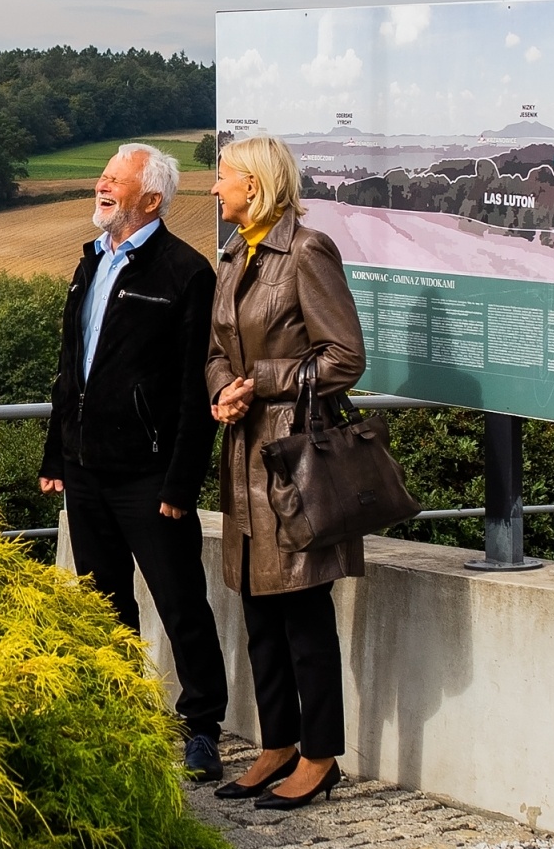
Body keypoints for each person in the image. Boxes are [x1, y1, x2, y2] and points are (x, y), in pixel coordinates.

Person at [39, 143, 229, 783]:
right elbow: (70, 370)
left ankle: (202, 728)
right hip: (86, 470)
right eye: (102, 177)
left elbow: (194, 390)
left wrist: (181, 482)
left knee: (181, 604)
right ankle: (121, 719)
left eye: (114, 181)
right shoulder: (89, 261)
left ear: (151, 199)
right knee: (103, 605)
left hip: (151, 476)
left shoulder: (185, 272)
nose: (101, 187)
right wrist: (57, 453)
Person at [205, 136, 367, 810]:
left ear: (255, 183)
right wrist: (223, 389)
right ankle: (277, 745)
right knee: (259, 611)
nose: (215, 187)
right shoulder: (233, 254)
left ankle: (319, 756)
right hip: (244, 454)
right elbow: (215, 350)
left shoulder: (307, 251)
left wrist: (261, 381)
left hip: (293, 462)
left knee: (303, 613)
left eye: (223, 176)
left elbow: (345, 357)